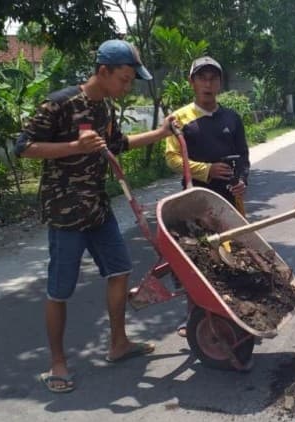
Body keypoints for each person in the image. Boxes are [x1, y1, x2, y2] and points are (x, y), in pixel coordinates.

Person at [15, 39, 177, 393]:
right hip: (65, 215)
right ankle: (58, 363)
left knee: (120, 270)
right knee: (60, 290)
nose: (127, 85)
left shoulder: (104, 109)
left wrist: (162, 133)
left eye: (131, 79)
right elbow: (22, 147)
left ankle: (118, 343)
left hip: (99, 210)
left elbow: (119, 144)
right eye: (123, 78)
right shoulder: (60, 103)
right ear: (102, 72)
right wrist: (73, 147)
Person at [163, 56, 250, 337]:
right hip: (194, 202)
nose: (208, 83)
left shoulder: (232, 118)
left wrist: (242, 182)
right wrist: (207, 170)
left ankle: (233, 314)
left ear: (220, 83)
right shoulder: (179, 119)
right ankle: (194, 316)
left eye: (213, 78)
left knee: (232, 257)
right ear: (192, 82)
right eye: (202, 77)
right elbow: (173, 159)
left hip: (230, 202)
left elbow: (244, 158)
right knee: (196, 259)